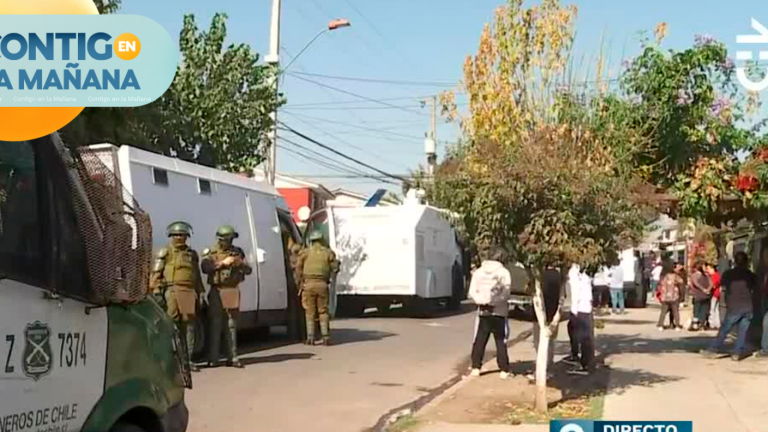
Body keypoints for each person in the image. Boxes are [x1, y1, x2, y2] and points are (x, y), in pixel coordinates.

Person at [150, 221, 205, 372]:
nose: (179, 237)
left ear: (187, 236)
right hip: (171, 291)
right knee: (170, 324)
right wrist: (155, 291)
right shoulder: (165, 252)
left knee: (189, 327)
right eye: (176, 235)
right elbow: (156, 274)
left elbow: (197, 276)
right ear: (170, 236)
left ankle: (187, 360)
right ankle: (170, 359)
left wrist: (201, 292)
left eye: (182, 234)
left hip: (188, 292)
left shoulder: (192, 254)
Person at [201, 225, 253, 368]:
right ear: (220, 239)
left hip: (232, 290)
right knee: (215, 325)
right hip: (217, 291)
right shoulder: (211, 252)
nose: (229, 242)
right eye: (227, 239)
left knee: (231, 325)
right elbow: (205, 268)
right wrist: (222, 263)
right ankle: (213, 358)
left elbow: (249, 270)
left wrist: (239, 263)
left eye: (231, 239)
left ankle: (233, 357)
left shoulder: (237, 252)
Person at [702, 252, 757, 361]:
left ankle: (713, 349)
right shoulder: (750, 274)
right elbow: (754, 288)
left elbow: (724, 289)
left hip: (734, 306)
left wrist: (726, 303)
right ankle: (736, 353)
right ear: (746, 262)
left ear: (735, 261)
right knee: (742, 332)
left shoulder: (728, 274)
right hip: (748, 306)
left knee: (725, 329)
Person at [468, 244, 511, 379]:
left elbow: (472, 292)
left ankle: (476, 367)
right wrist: (494, 301)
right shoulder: (504, 273)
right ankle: (504, 369)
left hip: (483, 311)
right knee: (500, 340)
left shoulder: (479, 272)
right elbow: (506, 292)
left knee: (480, 339)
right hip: (499, 311)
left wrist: (482, 301)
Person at [296, 231, 339, 346]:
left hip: (309, 285)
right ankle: (326, 337)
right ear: (321, 240)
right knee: (323, 311)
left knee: (310, 311)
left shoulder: (305, 253)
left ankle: (310, 338)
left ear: (311, 241)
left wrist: (300, 283)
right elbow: (335, 268)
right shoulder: (328, 253)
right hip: (322, 285)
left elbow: (298, 268)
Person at [530, 267, 563, 379]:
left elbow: (531, 291)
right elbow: (563, 295)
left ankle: (542, 369)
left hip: (539, 314)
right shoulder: (559, 276)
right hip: (554, 314)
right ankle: (548, 368)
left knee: (539, 343)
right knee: (551, 343)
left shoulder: (538, 275)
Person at [563, 265, 594, 376]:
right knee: (585, 337)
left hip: (580, 309)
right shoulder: (585, 276)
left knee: (581, 336)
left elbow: (575, 293)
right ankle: (584, 360)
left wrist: (574, 310)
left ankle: (583, 363)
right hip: (586, 309)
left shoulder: (574, 273)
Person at [656, 261, 684, 331]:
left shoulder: (663, 276)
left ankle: (660, 325)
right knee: (675, 311)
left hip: (665, 296)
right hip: (674, 296)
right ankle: (677, 325)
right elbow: (681, 281)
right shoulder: (675, 276)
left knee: (663, 312)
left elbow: (660, 284)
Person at [688, 261, 712, 331]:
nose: (706, 268)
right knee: (699, 310)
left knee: (700, 311)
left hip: (700, 295)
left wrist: (706, 289)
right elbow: (696, 283)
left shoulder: (704, 275)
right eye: (704, 266)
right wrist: (706, 289)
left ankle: (700, 324)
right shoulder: (697, 275)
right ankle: (699, 325)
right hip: (700, 295)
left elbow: (711, 283)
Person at [705, 263, 721, 330]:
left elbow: (713, 285)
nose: (707, 270)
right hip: (718, 294)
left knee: (712, 309)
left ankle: (712, 324)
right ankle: (717, 324)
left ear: (712, 269)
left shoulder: (713, 276)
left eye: (708, 269)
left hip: (713, 294)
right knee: (716, 309)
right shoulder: (718, 275)